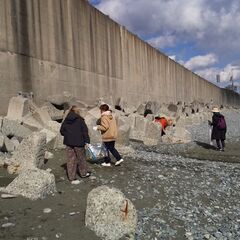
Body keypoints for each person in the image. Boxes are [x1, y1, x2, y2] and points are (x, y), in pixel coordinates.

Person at [60, 106, 91, 183]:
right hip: (79, 143)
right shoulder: (80, 120)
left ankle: (71, 178)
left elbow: (61, 131)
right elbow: (85, 131)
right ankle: (83, 173)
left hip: (68, 142)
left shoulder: (66, 120)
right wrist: (87, 141)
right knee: (81, 159)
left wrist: (68, 135)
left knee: (70, 160)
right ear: (77, 111)